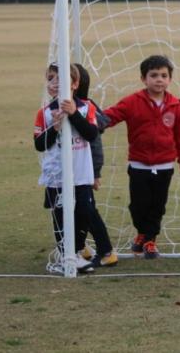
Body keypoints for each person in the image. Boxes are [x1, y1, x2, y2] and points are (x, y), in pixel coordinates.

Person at [104, 55, 180, 259]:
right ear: (144, 78)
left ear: (170, 79)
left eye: (163, 75)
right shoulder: (132, 102)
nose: (159, 79)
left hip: (165, 165)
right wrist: (90, 121)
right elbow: (111, 115)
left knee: (157, 205)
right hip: (139, 165)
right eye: (154, 75)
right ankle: (141, 232)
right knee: (138, 205)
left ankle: (150, 240)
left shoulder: (175, 105)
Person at [34, 63, 97, 274]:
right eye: (51, 78)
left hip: (81, 173)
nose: (55, 83)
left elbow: (91, 134)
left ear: (75, 84)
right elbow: (39, 144)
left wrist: (73, 114)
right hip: (57, 176)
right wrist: (55, 127)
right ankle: (63, 254)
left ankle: (77, 251)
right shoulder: (44, 113)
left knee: (84, 212)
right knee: (60, 214)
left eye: (61, 79)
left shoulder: (86, 107)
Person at [74, 64, 117, 268]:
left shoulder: (85, 107)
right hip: (73, 169)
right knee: (75, 208)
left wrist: (95, 172)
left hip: (86, 169)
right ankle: (80, 247)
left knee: (88, 209)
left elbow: (97, 136)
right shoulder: (67, 106)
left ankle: (106, 251)